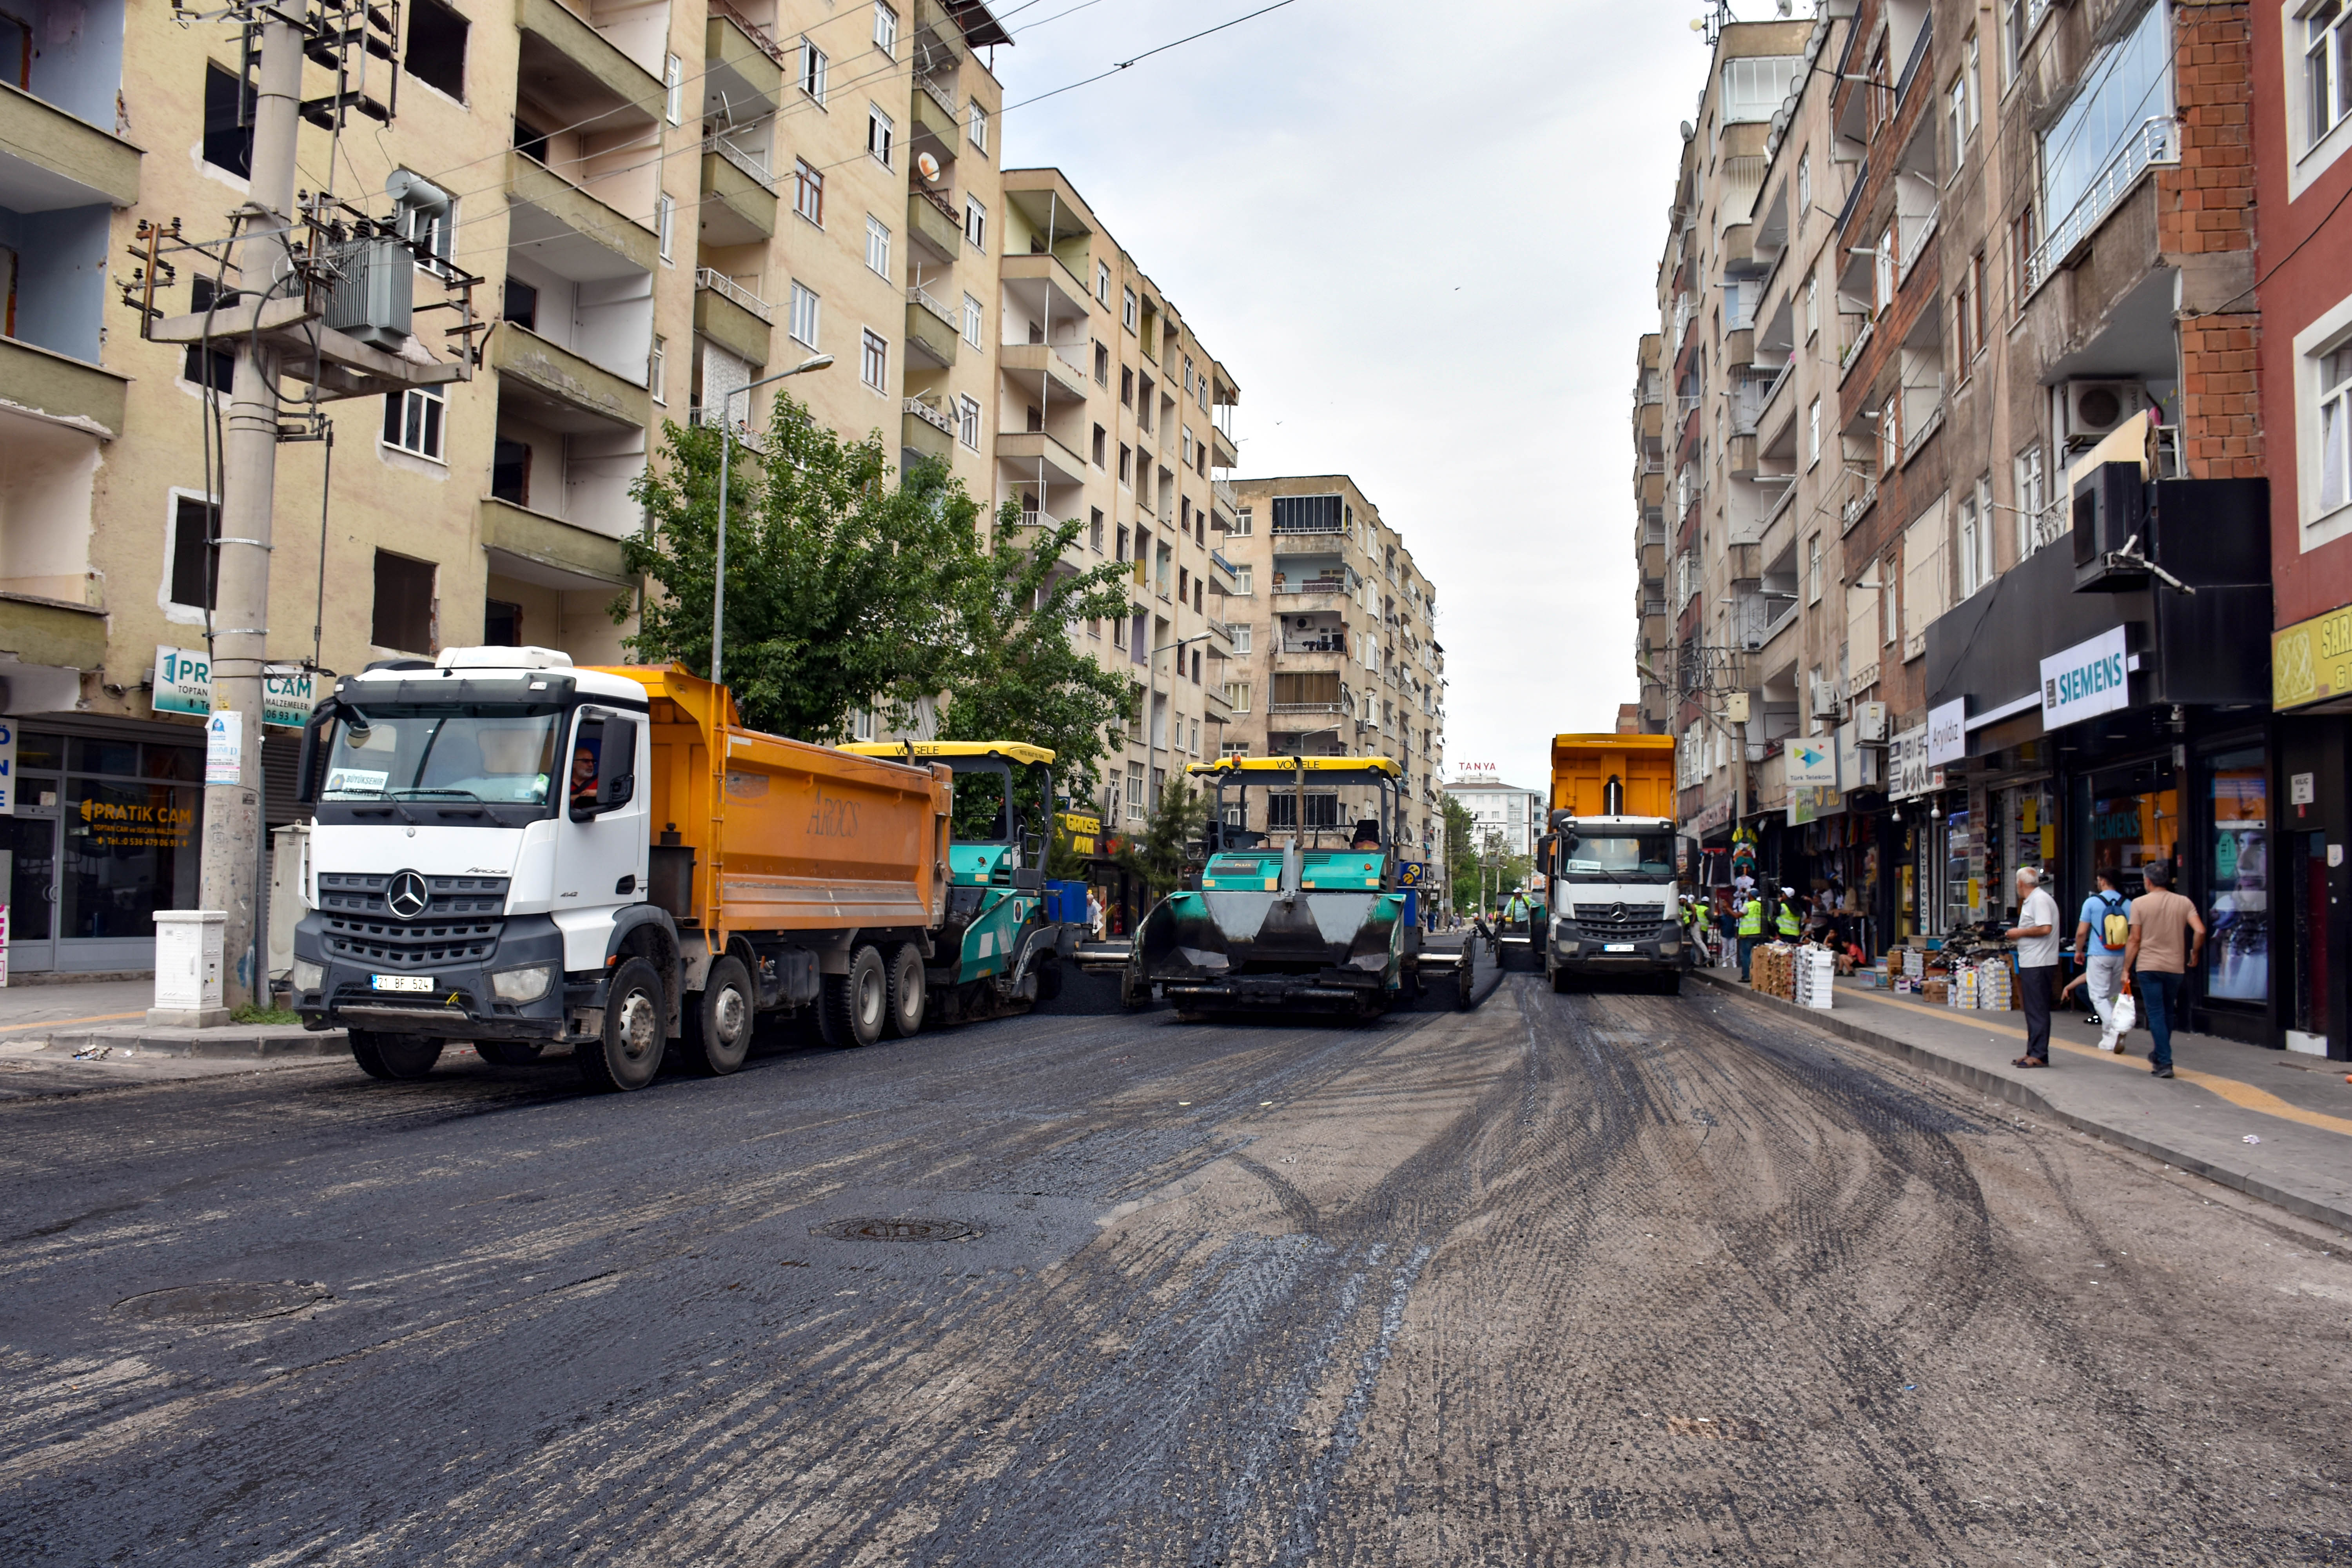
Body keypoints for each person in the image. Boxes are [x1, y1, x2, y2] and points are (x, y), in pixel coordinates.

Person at [2123, 860, 2205, 1079]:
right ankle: (2160, 1056)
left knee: (2156, 1013)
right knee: (2168, 1011)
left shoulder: (2139, 904)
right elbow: (2200, 930)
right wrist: (2194, 952)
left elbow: (2135, 939)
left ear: (2148, 881)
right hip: (2175, 966)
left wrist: (2126, 968)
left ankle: (2165, 1061)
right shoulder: (2184, 902)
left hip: (2149, 966)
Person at [2005, 867, 2062, 1068]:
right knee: (2032, 1008)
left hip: (2040, 961)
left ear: (2020, 883)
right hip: (2033, 960)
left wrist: (2018, 933)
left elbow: (2045, 928)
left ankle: (2039, 1054)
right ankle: (2032, 1051)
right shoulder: (2036, 900)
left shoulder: (2039, 900)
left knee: (2037, 1009)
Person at [2073, 866, 2132, 1051]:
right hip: (2122, 955)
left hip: (2099, 954)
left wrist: (2079, 951)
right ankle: (2109, 1038)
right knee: (2114, 996)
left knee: (2098, 996)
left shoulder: (2092, 903)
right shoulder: (2129, 904)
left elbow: (2082, 932)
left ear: (2103, 881)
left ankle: (2115, 1029)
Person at [1737, 889, 1764, 981]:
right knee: (1757, 956)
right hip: (1758, 934)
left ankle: (1746, 977)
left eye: (1749, 894)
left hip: (1747, 934)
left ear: (1751, 896)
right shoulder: (1761, 906)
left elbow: (1737, 915)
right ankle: (1758, 976)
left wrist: (1728, 908)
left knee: (1746, 956)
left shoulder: (1748, 906)